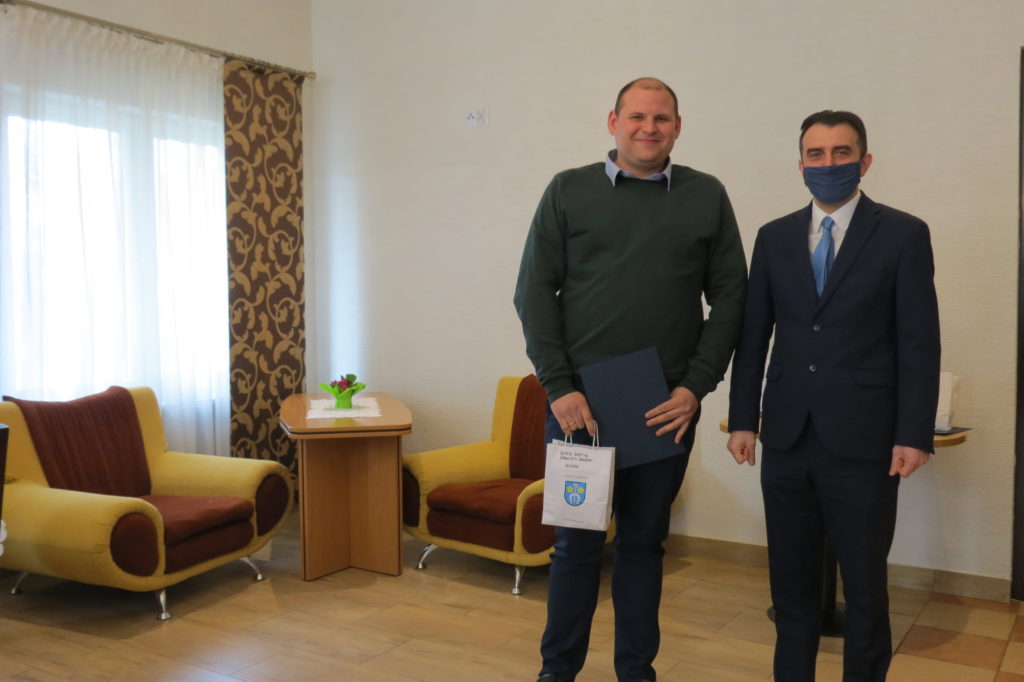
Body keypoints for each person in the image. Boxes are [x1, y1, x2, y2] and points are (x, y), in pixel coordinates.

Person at [514, 77, 747, 682]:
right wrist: (559, 386)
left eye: (661, 118)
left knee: (644, 547)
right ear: (613, 121)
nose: (649, 128)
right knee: (575, 548)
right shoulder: (568, 190)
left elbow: (731, 300)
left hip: (663, 409)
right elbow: (533, 292)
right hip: (581, 410)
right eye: (637, 116)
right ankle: (556, 671)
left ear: (678, 126)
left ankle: (636, 672)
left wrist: (694, 387)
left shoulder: (706, 195)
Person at [727, 110, 940, 682]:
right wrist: (743, 419)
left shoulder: (903, 234)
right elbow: (754, 334)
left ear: (864, 162)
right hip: (787, 437)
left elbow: (919, 342)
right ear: (800, 165)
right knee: (791, 585)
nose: (828, 163)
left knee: (865, 587)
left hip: (866, 441)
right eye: (816, 154)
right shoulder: (773, 237)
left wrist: (914, 433)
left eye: (841, 153)